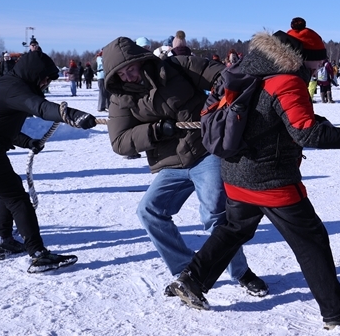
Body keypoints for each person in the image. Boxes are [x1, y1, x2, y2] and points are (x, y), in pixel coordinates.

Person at [167, 19, 340, 328]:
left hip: (236, 173)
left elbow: (268, 116)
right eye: (319, 57)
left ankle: (193, 280)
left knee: (234, 229)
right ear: (304, 56)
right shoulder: (287, 80)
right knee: (312, 240)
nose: (323, 63)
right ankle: (335, 311)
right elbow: (306, 133)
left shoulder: (250, 67)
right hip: (271, 179)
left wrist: (320, 122)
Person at [102, 36, 269, 297]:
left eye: (131, 69)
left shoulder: (178, 66)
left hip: (205, 151)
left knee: (214, 215)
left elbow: (223, 76)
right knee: (148, 211)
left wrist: (221, 103)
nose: (129, 77)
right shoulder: (120, 98)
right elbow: (120, 141)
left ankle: (241, 273)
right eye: (121, 74)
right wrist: (154, 131)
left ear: (141, 60)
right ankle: (186, 271)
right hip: (169, 163)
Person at [0, 50, 96, 271]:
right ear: (34, 73)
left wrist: (29, 142)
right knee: (18, 199)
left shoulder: (9, 86)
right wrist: (72, 115)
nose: (46, 83)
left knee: (9, 190)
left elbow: (1, 125)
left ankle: (4, 240)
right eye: (45, 77)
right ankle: (38, 254)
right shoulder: (14, 89)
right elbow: (42, 108)